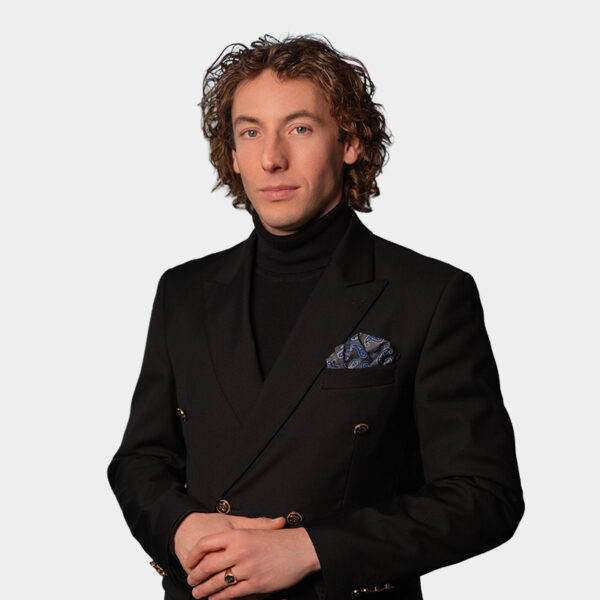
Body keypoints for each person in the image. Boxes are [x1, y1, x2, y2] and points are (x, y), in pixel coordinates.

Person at [107, 34, 524, 600]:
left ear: (350, 141)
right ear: (232, 153)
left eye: (299, 128)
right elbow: (140, 460)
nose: (271, 157)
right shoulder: (183, 291)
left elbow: (485, 495)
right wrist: (180, 528)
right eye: (250, 132)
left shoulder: (430, 295)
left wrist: (311, 550)